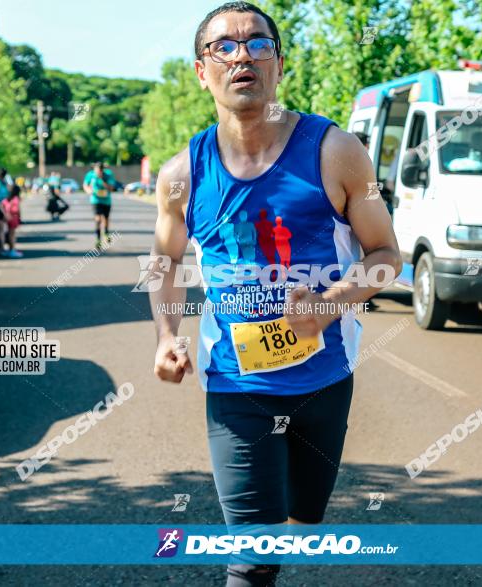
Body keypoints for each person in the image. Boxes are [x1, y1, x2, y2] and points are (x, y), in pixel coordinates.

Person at [148, 3, 400, 585]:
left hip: (325, 380)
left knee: (300, 525)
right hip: (236, 387)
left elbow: (386, 257)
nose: (242, 56)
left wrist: (330, 304)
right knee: (253, 556)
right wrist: (167, 336)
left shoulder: (335, 151)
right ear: (200, 70)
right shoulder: (182, 173)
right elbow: (166, 261)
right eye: (224, 47)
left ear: (279, 64)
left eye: (258, 44)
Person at [83, 162, 116, 249]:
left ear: (102, 171)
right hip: (95, 200)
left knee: (106, 218)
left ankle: (106, 232)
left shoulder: (108, 174)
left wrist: (102, 180)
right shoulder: (90, 175)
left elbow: (111, 188)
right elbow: (85, 185)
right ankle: (98, 239)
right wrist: (88, 190)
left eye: (99, 172)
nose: (97, 173)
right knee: (98, 219)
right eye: (96, 171)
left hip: (106, 201)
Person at [0, 184, 23, 258]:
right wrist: (19, 217)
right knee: (12, 235)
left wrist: (5, 213)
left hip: (9, 217)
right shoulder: (16, 199)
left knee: (10, 234)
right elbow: (18, 210)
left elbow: (1, 205)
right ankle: (12, 250)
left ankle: (11, 250)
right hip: (14, 217)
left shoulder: (8, 198)